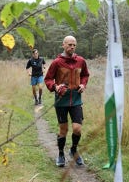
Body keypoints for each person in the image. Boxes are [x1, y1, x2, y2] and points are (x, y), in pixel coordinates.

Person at [44, 35, 90, 167]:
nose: (72, 47)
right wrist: (55, 87)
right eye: (69, 44)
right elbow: (48, 79)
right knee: (63, 129)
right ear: (63, 45)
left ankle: (74, 150)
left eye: (74, 45)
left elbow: (85, 75)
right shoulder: (57, 62)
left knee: (77, 129)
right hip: (61, 101)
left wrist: (82, 85)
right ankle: (60, 154)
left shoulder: (81, 61)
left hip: (76, 100)